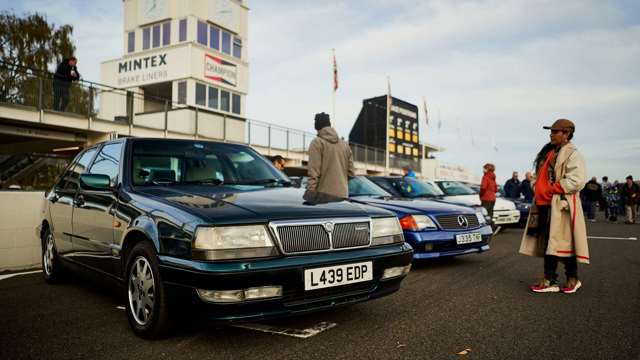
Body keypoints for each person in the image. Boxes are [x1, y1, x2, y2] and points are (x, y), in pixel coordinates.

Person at [520, 118, 589, 294]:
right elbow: (539, 176)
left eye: (555, 131)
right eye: (551, 131)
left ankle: (572, 278)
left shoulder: (573, 153)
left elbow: (577, 180)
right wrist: (536, 186)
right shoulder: (549, 152)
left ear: (566, 134)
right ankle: (550, 278)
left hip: (559, 205)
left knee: (564, 243)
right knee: (549, 243)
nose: (551, 134)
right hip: (543, 204)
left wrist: (551, 189)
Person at [307, 112, 354, 198]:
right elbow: (351, 173)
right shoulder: (345, 145)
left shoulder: (317, 142)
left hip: (323, 196)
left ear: (317, 124)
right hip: (343, 195)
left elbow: (313, 173)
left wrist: (310, 194)